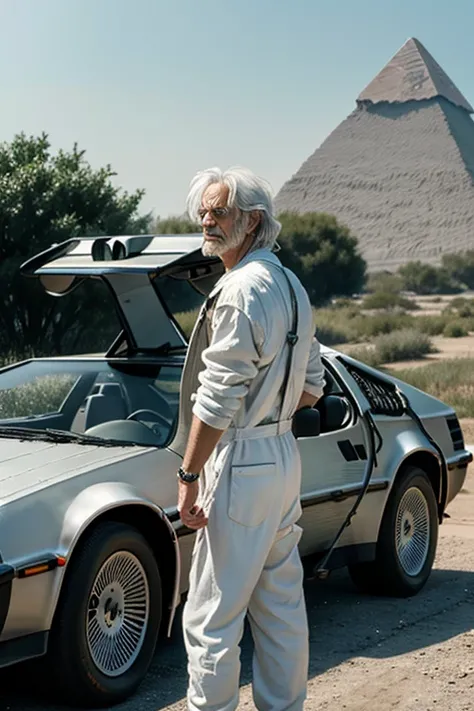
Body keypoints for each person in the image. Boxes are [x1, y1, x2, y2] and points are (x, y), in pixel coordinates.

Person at [176, 166, 325, 711]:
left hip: (239, 458)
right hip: (283, 458)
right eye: (204, 212)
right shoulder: (291, 284)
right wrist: (275, 409)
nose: (207, 221)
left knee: (213, 614)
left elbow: (216, 399)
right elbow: (313, 386)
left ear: (253, 220)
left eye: (219, 211)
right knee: (281, 605)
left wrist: (190, 476)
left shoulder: (240, 290)